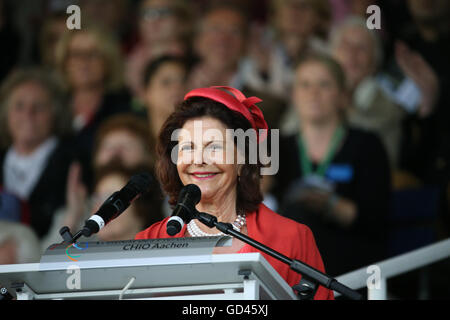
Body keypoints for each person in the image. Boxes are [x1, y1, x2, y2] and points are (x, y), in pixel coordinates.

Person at [135, 86, 334, 299]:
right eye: (188, 148)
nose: (199, 160)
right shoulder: (147, 241)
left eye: (214, 147)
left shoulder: (292, 238)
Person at [272, 54, 391, 276]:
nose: (313, 93)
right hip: (288, 260)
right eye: (305, 84)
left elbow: (375, 219)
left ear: (343, 96)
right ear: (294, 95)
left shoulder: (367, 144)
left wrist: (330, 204)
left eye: (324, 85)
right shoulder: (276, 146)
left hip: (350, 262)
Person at [55, 25, 132, 186]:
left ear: (108, 62)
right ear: (65, 62)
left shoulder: (123, 112)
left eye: (93, 54)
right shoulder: (51, 108)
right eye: (76, 54)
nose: (84, 62)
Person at [0, 68, 73, 239]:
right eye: (19, 106)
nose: (28, 114)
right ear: (6, 113)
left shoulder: (72, 163)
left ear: (55, 114)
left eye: (39, 107)